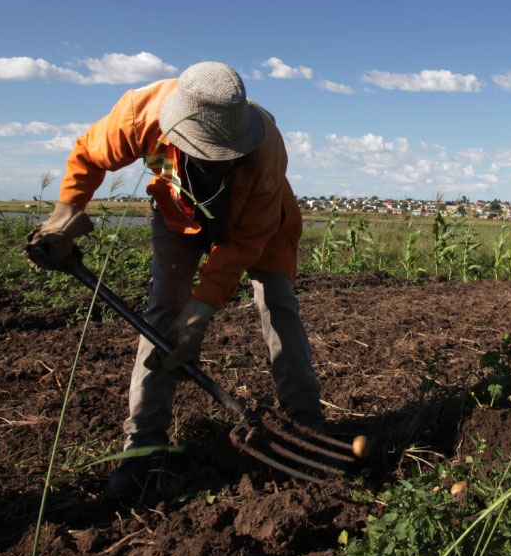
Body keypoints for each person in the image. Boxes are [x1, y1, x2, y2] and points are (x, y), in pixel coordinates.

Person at [27, 61, 325, 501]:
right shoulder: (139, 113)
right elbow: (90, 155)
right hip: (177, 213)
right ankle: (144, 444)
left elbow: (241, 246)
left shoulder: (266, 152)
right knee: (164, 308)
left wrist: (199, 317)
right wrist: (65, 215)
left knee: (276, 302)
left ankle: (305, 422)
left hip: (260, 221)